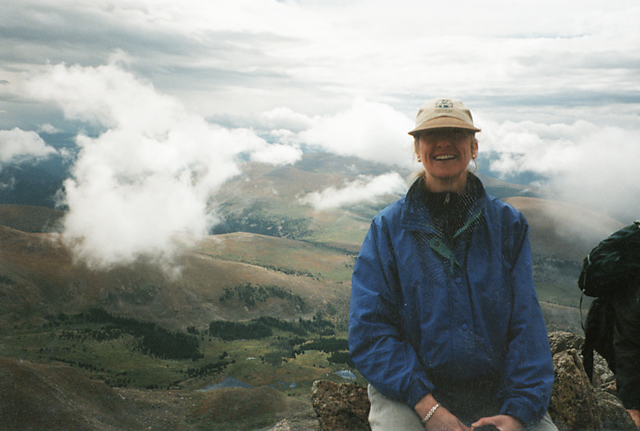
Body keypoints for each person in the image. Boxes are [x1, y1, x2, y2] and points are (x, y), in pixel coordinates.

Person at [348, 98, 557, 431]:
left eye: (455, 134)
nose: (443, 143)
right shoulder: (387, 229)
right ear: (417, 150)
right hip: (411, 392)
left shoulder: (508, 225)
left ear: (473, 148)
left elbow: (527, 329)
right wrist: (429, 408)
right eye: (431, 135)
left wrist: (518, 413)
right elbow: (370, 331)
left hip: (495, 389)